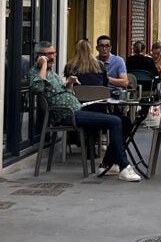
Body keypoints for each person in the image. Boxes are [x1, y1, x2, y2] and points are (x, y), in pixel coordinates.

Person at [29, 41, 141, 182]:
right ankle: (124, 167)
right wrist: (43, 65)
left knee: (124, 121)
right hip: (69, 114)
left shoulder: (54, 72)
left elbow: (61, 92)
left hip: (78, 109)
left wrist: (69, 83)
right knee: (116, 121)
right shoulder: (37, 72)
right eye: (47, 55)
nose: (52, 57)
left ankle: (107, 164)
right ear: (39, 57)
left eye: (53, 53)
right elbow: (37, 88)